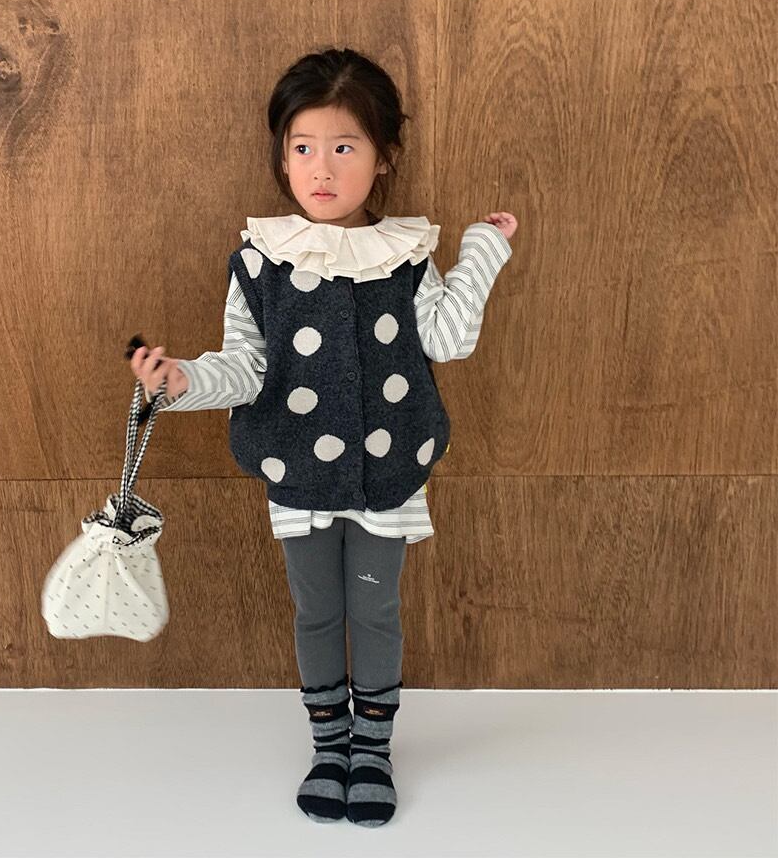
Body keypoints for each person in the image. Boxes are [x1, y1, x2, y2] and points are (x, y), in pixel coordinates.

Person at [129, 47, 517, 828]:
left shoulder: (405, 256)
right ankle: (327, 743)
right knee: (315, 614)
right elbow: (246, 368)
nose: (322, 167)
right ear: (282, 156)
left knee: (374, 611)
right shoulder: (259, 263)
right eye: (303, 147)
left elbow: (449, 340)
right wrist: (180, 382)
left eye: (344, 146)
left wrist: (481, 252)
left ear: (383, 157)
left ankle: (372, 748)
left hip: (388, 473)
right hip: (298, 473)